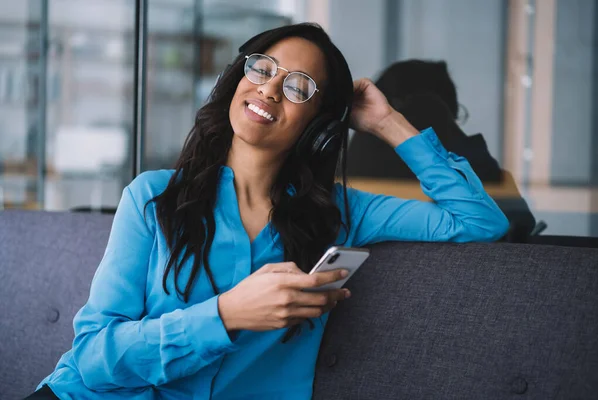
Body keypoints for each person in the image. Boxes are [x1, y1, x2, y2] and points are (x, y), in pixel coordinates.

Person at [29, 24, 508, 399]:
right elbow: (93, 358)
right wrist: (226, 314)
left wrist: (386, 122)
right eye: (262, 68)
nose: (269, 89)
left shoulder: (339, 212)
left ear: (320, 125)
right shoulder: (152, 198)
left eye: (298, 86)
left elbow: (480, 221)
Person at [347, 60, 537, 242]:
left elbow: (505, 223)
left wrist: (387, 122)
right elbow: (516, 221)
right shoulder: (351, 201)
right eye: (450, 116)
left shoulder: (360, 207)